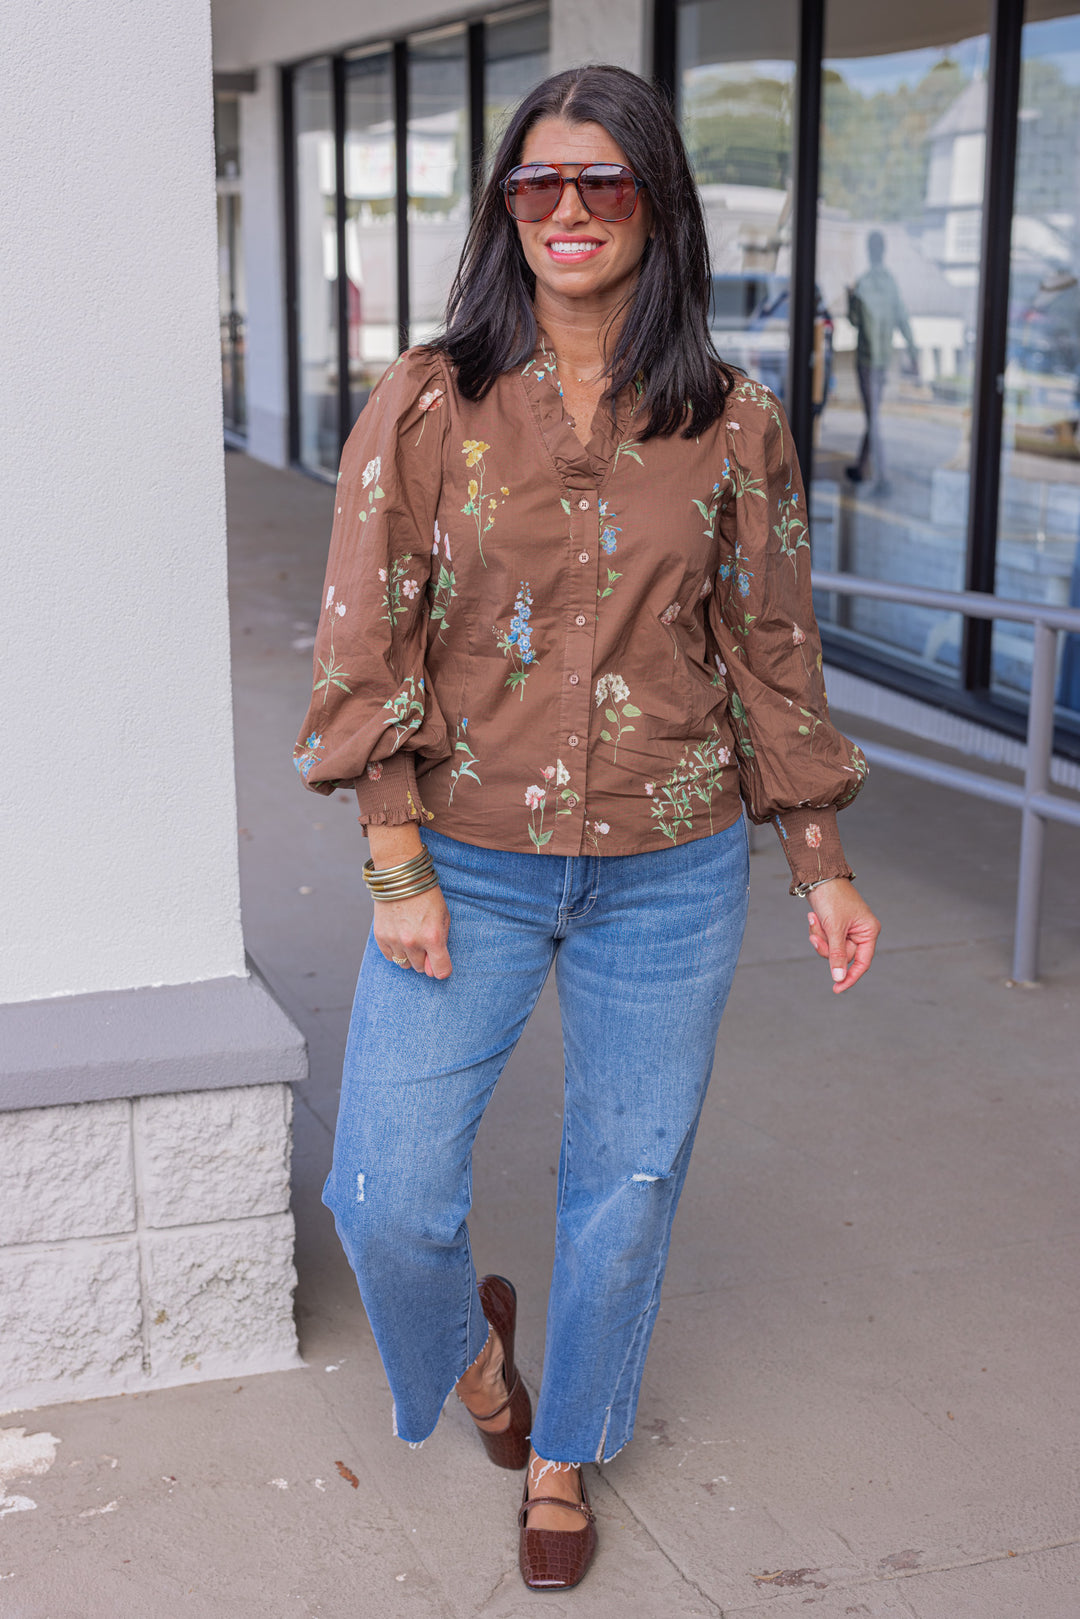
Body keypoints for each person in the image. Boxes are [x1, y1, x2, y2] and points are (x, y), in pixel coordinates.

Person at [294, 65, 880, 1594]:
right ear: (506, 207)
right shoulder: (431, 397)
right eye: (537, 184)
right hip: (466, 861)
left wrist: (816, 855)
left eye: (602, 183)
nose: (567, 210)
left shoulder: (733, 418)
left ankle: (565, 1450)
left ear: (655, 206)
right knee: (385, 1189)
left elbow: (771, 648)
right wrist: (393, 850)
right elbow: (368, 642)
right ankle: (488, 1372)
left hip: (672, 868)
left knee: (627, 1179)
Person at [845, 230, 919, 496]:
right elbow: (903, 319)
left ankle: (882, 475)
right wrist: (914, 351)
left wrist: (849, 299)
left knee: (873, 416)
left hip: (867, 361)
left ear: (869, 250)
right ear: (883, 250)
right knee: (872, 414)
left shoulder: (863, 284)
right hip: (883, 360)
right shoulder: (890, 283)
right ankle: (862, 465)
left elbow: (853, 320)